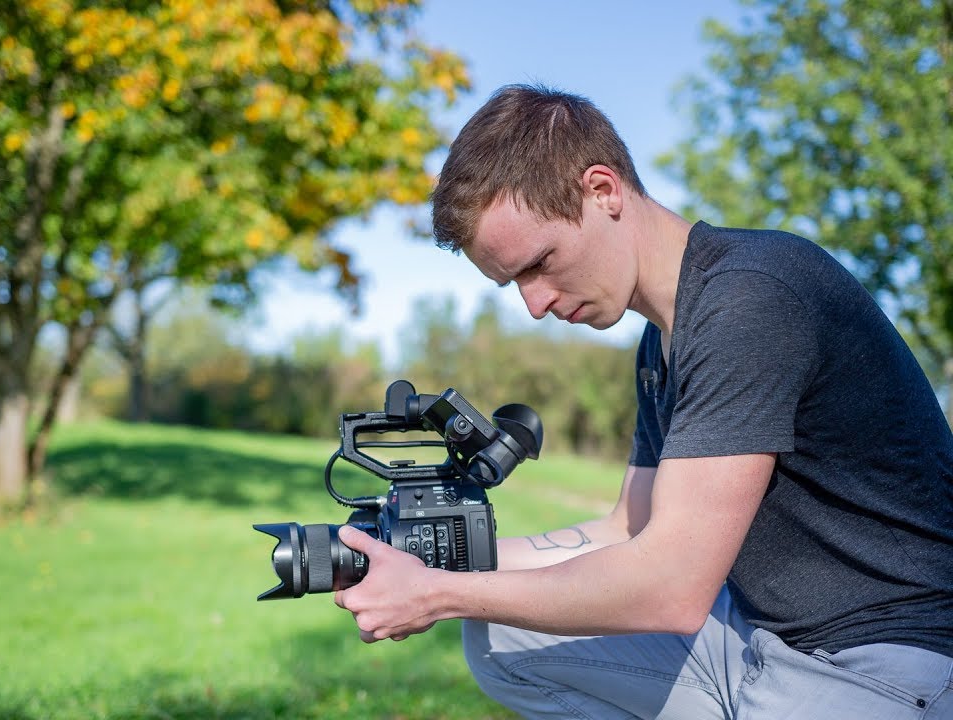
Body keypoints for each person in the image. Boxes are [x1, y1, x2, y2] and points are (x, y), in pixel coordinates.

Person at [331, 84, 953, 719]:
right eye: (513, 282)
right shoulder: (661, 343)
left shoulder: (750, 298)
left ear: (603, 191)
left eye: (539, 263)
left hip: (882, 657)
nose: (535, 304)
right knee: (502, 634)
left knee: (484, 609)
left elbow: (672, 588)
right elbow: (626, 530)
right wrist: (412, 547)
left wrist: (439, 594)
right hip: (757, 638)